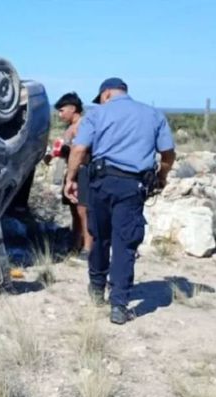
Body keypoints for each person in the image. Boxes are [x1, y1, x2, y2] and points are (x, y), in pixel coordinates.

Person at [64, 78, 175, 325]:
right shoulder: (153, 115)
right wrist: (161, 176)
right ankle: (119, 305)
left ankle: (96, 287)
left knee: (99, 236)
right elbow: (168, 153)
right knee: (125, 243)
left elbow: (79, 150)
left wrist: (71, 179)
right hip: (132, 186)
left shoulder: (97, 114)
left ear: (106, 94)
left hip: (100, 183)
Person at [45, 92, 92, 257]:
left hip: (82, 172)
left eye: (62, 110)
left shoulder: (83, 125)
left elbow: (84, 151)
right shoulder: (69, 127)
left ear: (73, 109)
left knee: (83, 210)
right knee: (74, 210)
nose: (60, 114)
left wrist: (68, 150)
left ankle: (88, 247)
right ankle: (75, 243)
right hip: (71, 172)